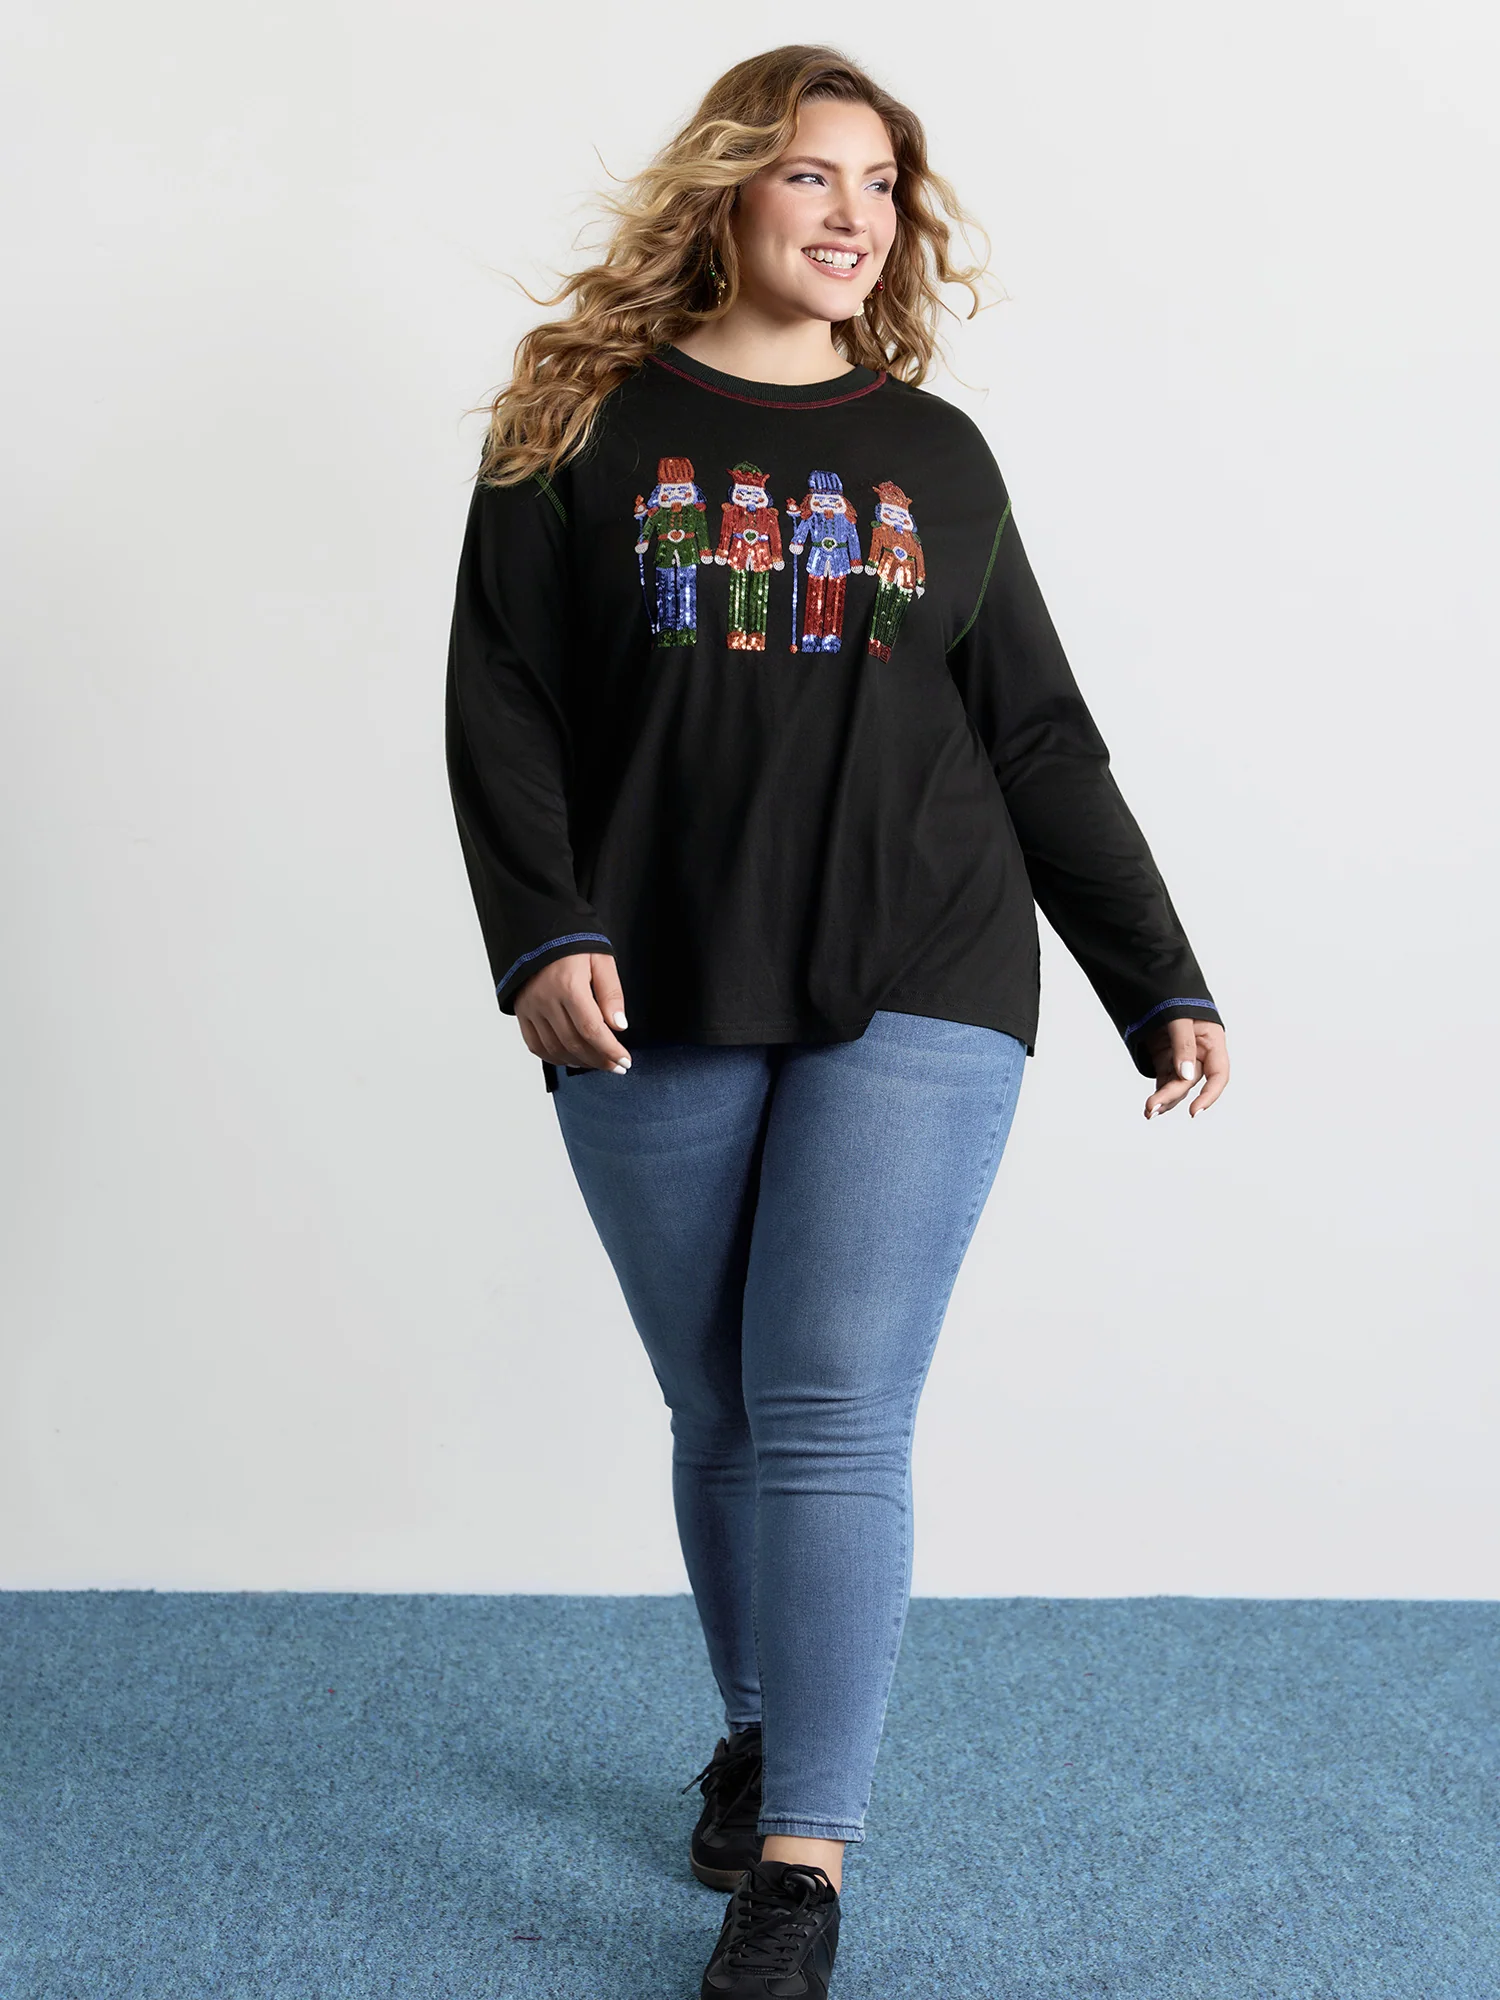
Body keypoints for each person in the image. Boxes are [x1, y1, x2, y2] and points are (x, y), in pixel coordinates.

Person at [445, 43, 1230, 2000]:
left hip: (923, 962)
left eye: (882, 183)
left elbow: (1034, 737)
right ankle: (757, 1728)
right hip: (656, 965)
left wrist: (1156, 973)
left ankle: (800, 1863)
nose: (854, 213)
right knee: (718, 1401)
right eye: (812, 174)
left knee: (828, 1400)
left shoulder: (935, 457)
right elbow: (501, 700)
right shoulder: (578, 423)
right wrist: (540, 931)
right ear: (726, 191)